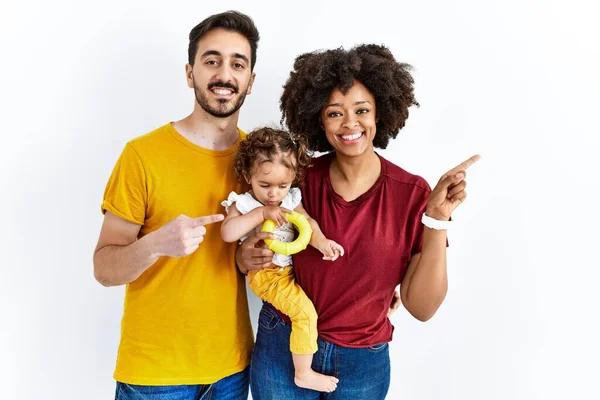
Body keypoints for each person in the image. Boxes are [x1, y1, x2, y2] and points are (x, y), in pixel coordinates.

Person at [237, 44, 480, 399]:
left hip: (362, 360)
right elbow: (251, 243)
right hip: (284, 344)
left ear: (379, 113)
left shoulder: (411, 193)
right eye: (335, 113)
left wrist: (437, 220)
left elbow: (423, 308)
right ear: (318, 120)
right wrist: (244, 255)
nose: (350, 123)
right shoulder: (297, 181)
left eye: (362, 110)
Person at [93, 10, 260, 400]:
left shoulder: (258, 161)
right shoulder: (142, 155)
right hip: (155, 378)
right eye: (212, 60)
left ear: (250, 82)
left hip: (233, 371)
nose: (224, 74)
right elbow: (103, 268)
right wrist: (155, 244)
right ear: (190, 74)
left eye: (238, 63)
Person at [220, 127, 344, 393]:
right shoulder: (243, 203)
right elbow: (228, 233)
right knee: (305, 315)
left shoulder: (290, 199)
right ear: (247, 176)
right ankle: (304, 373)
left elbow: (307, 223)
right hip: (267, 274)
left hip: (289, 272)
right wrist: (261, 213)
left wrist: (321, 242)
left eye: (282, 185)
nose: (274, 194)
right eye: (265, 186)